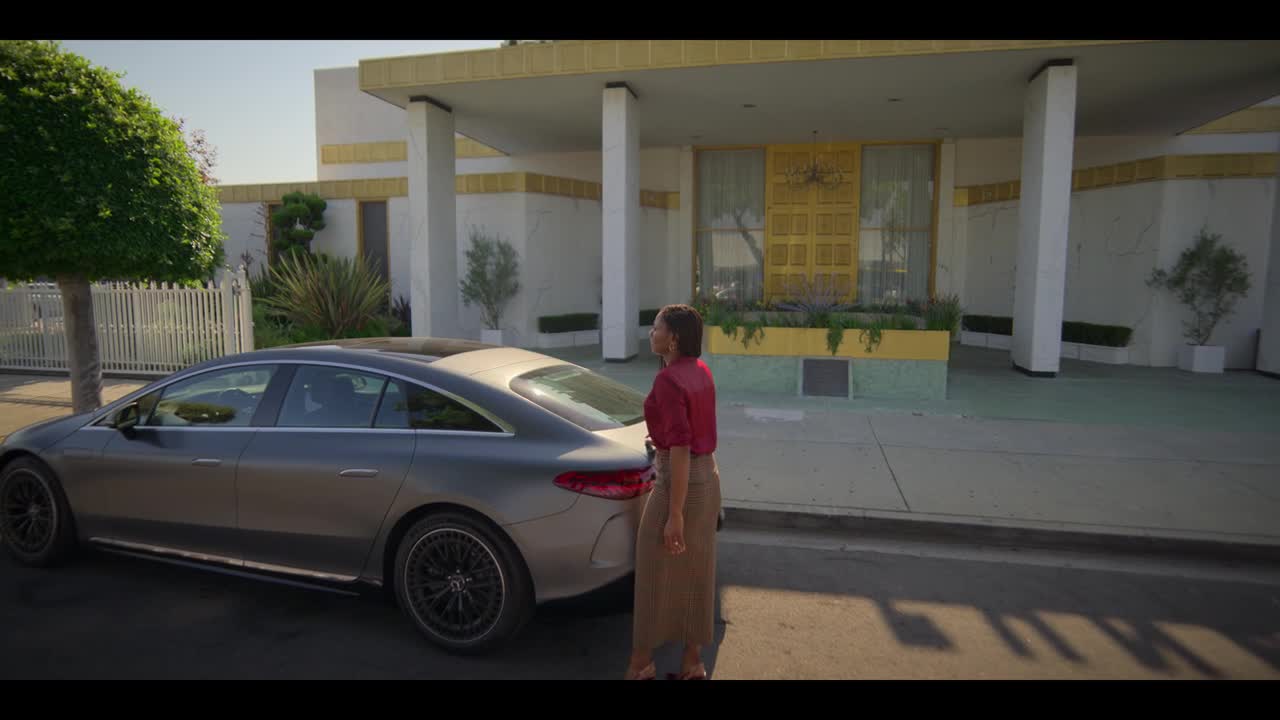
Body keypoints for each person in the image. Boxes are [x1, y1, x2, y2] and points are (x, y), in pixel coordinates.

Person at [624, 303, 721, 681]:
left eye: (656, 327)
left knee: (652, 572)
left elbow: (680, 447)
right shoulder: (700, 370)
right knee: (697, 571)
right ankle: (693, 663)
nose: (651, 333)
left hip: (677, 482)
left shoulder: (668, 380)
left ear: (673, 338)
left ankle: (640, 665)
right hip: (708, 477)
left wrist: (675, 513)